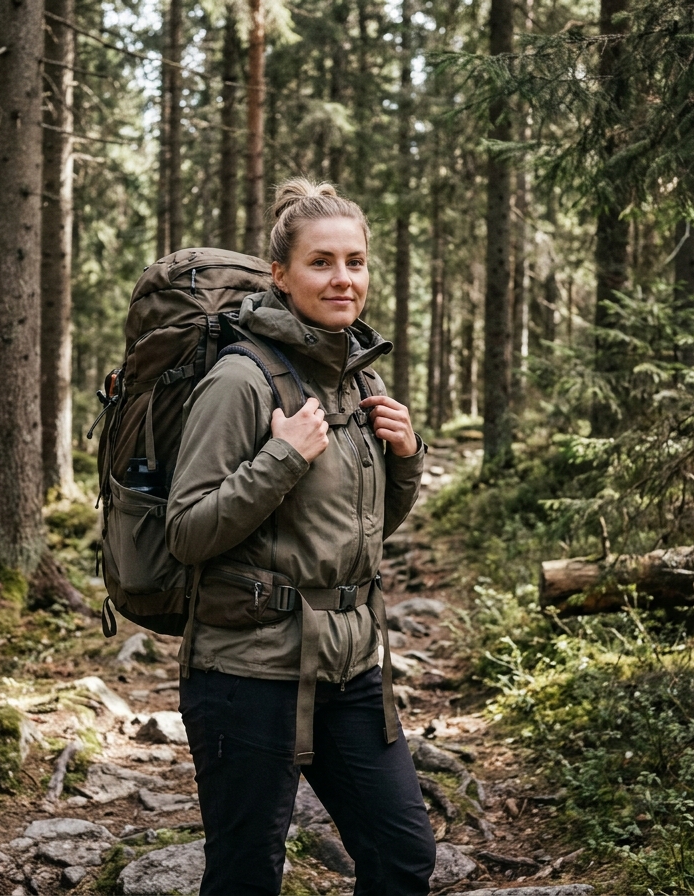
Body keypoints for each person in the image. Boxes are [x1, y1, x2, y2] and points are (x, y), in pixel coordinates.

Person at [166, 177, 437, 895]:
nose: (343, 278)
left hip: (350, 665)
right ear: (280, 276)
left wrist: (406, 458)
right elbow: (187, 532)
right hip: (246, 672)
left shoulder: (359, 381)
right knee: (246, 876)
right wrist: (282, 458)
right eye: (321, 262)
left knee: (403, 854)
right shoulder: (240, 381)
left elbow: (356, 534)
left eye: (356, 261)